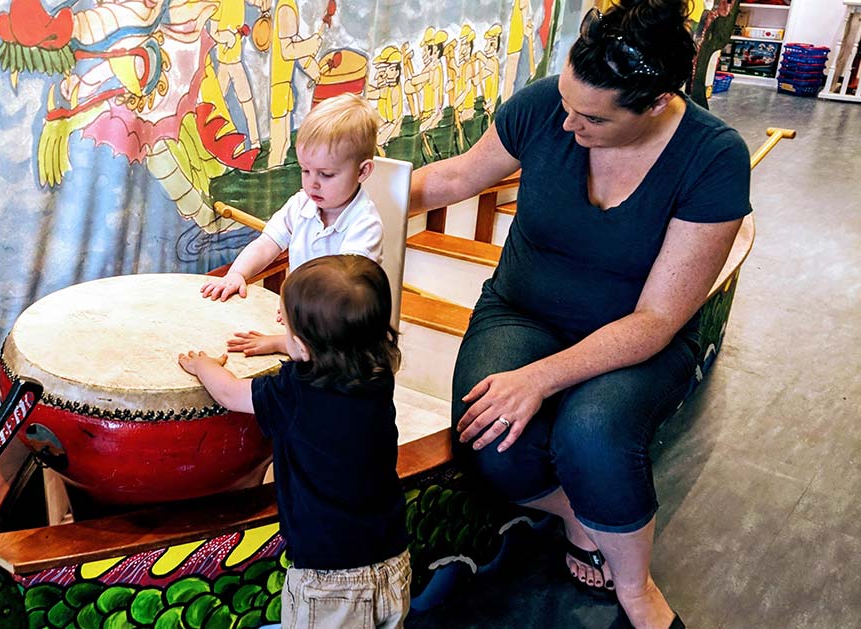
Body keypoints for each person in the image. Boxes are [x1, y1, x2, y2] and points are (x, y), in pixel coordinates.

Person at [408, 1, 751, 628]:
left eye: (590, 116)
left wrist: (538, 378)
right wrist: (349, 190)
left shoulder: (712, 156)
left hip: (638, 338)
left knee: (592, 432)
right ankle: (581, 514)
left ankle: (635, 584)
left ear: (654, 103)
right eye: (565, 102)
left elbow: (655, 320)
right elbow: (453, 178)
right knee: (489, 434)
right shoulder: (548, 107)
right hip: (521, 309)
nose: (566, 124)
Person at [179, 255, 410, 628]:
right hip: (392, 559)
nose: (282, 328)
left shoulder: (293, 393)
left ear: (305, 347)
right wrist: (281, 343)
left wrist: (205, 366)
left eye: (287, 327)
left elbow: (230, 395)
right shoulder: (378, 373)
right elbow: (338, 348)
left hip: (328, 579)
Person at [201, 92, 384, 357]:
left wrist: (291, 323)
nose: (313, 183)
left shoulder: (364, 224)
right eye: (305, 170)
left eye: (326, 174)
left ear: (363, 171)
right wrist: (237, 273)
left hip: (342, 338)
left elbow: (342, 295)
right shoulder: (301, 205)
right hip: (302, 320)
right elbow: (267, 243)